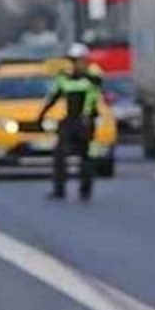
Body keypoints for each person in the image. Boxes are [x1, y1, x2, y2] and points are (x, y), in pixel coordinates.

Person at [37, 43, 104, 201]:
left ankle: (85, 190)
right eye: (73, 61)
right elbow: (52, 98)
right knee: (60, 155)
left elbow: (98, 82)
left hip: (86, 121)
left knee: (87, 157)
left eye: (79, 60)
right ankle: (59, 189)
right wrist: (41, 116)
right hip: (70, 120)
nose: (76, 64)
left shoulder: (92, 78)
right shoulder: (64, 79)